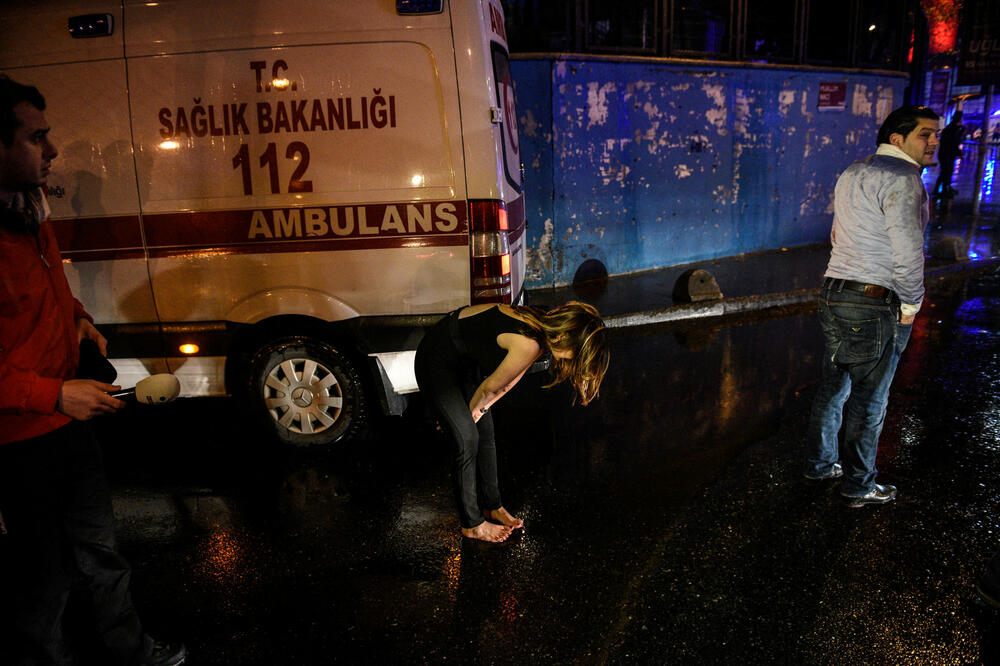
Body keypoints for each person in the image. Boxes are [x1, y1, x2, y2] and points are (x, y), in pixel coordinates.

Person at [0, 75, 187, 665]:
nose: (52, 149)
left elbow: (44, 289)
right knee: (43, 578)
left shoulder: (29, 209)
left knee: (102, 553)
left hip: (68, 429)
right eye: (37, 137)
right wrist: (53, 394)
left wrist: (76, 316)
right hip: (18, 442)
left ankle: (130, 653)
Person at [803, 105, 939, 508]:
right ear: (897, 139)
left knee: (833, 386)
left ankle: (820, 465)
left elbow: (836, 231)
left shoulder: (854, 171)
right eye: (925, 134)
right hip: (875, 299)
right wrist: (912, 303)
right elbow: (909, 250)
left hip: (834, 291)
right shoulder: (904, 179)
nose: (934, 142)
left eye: (936, 135)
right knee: (870, 398)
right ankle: (859, 485)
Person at [415, 301, 610, 542]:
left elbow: (506, 384)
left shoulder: (540, 324)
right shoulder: (529, 343)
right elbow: (489, 389)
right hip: (436, 360)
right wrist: (466, 415)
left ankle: (492, 505)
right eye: (576, 352)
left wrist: (474, 413)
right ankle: (472, 524)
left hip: (464, 363)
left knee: (484, 431)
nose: (573, 360)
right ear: (564, 336)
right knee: (467, 437)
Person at [934, 110, 965, 198]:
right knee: (947, 172)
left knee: (945, 172)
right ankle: (943, 190)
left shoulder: (949, 128)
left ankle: (940, 190)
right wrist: (960, 154)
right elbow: (954, 142)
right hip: (948, 154)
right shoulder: (953, 129)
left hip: (944, 153)